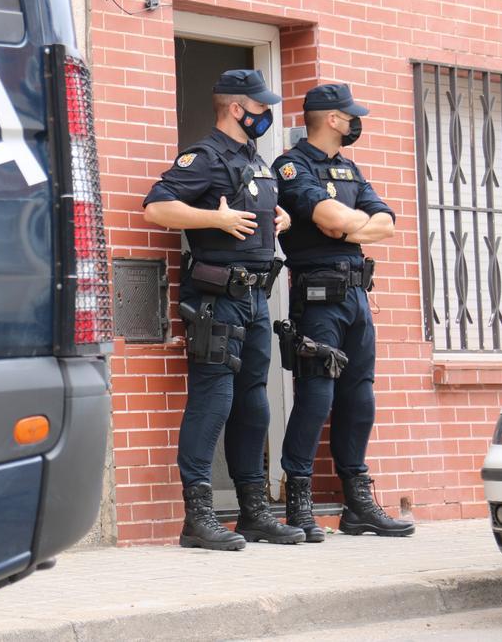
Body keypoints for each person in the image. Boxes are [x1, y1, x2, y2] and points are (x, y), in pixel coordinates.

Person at [144, 69, 303, 550]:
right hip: (216, 300)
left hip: (256, 297)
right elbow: (156, 207)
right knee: (213, 400)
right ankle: (198, 518)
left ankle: (254, 513)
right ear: (237, 108)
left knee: (254, 403)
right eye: (259, 107)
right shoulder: (206, 158)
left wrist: (284, 218)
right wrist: (214, 217)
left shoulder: (257, 161)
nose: (266, 115)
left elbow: (262, 215)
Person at [272, 83, 415, 542]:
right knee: (317, 396)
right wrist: (351, 225)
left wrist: (349, 225)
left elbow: (388, 223)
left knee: (360, 398)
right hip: (317, 298)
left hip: (356, 297)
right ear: (332, 119)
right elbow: (332, 220)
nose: (356, 122)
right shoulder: (292, 166)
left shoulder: (349, 168)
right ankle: (298, 502)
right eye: (351, 116)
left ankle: (358, 505)